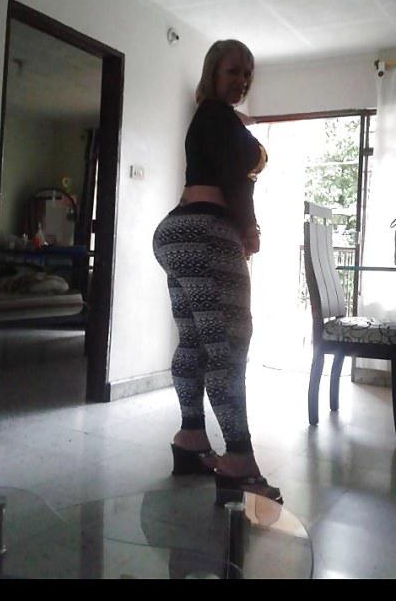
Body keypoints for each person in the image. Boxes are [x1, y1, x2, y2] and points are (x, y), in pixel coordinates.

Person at [152, 39, 282, 506]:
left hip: (176, 233)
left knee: (194, 340)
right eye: (233, 71)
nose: (242, 80)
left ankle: (191, 438)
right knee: (229, 342)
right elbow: (234, 182)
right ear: (213, 73)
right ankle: (239, 459)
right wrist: (249, 230)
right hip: (207, 232)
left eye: (248, 73)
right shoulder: (220, 116)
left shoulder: (206, 117)